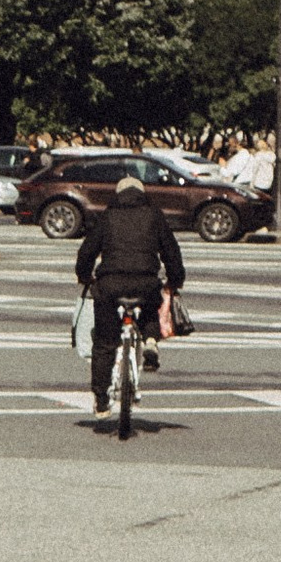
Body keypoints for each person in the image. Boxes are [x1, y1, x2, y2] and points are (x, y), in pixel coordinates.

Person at [75, 175, 183, 426]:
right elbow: (171, 251)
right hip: (145, 280)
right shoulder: (154, 215)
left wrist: (84, 277)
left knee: (104, 342)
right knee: (149, 305)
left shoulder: (107, 216)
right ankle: (151, 340)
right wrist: (175, 280)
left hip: (110, 283)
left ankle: (101, 399)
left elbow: (87, 251)